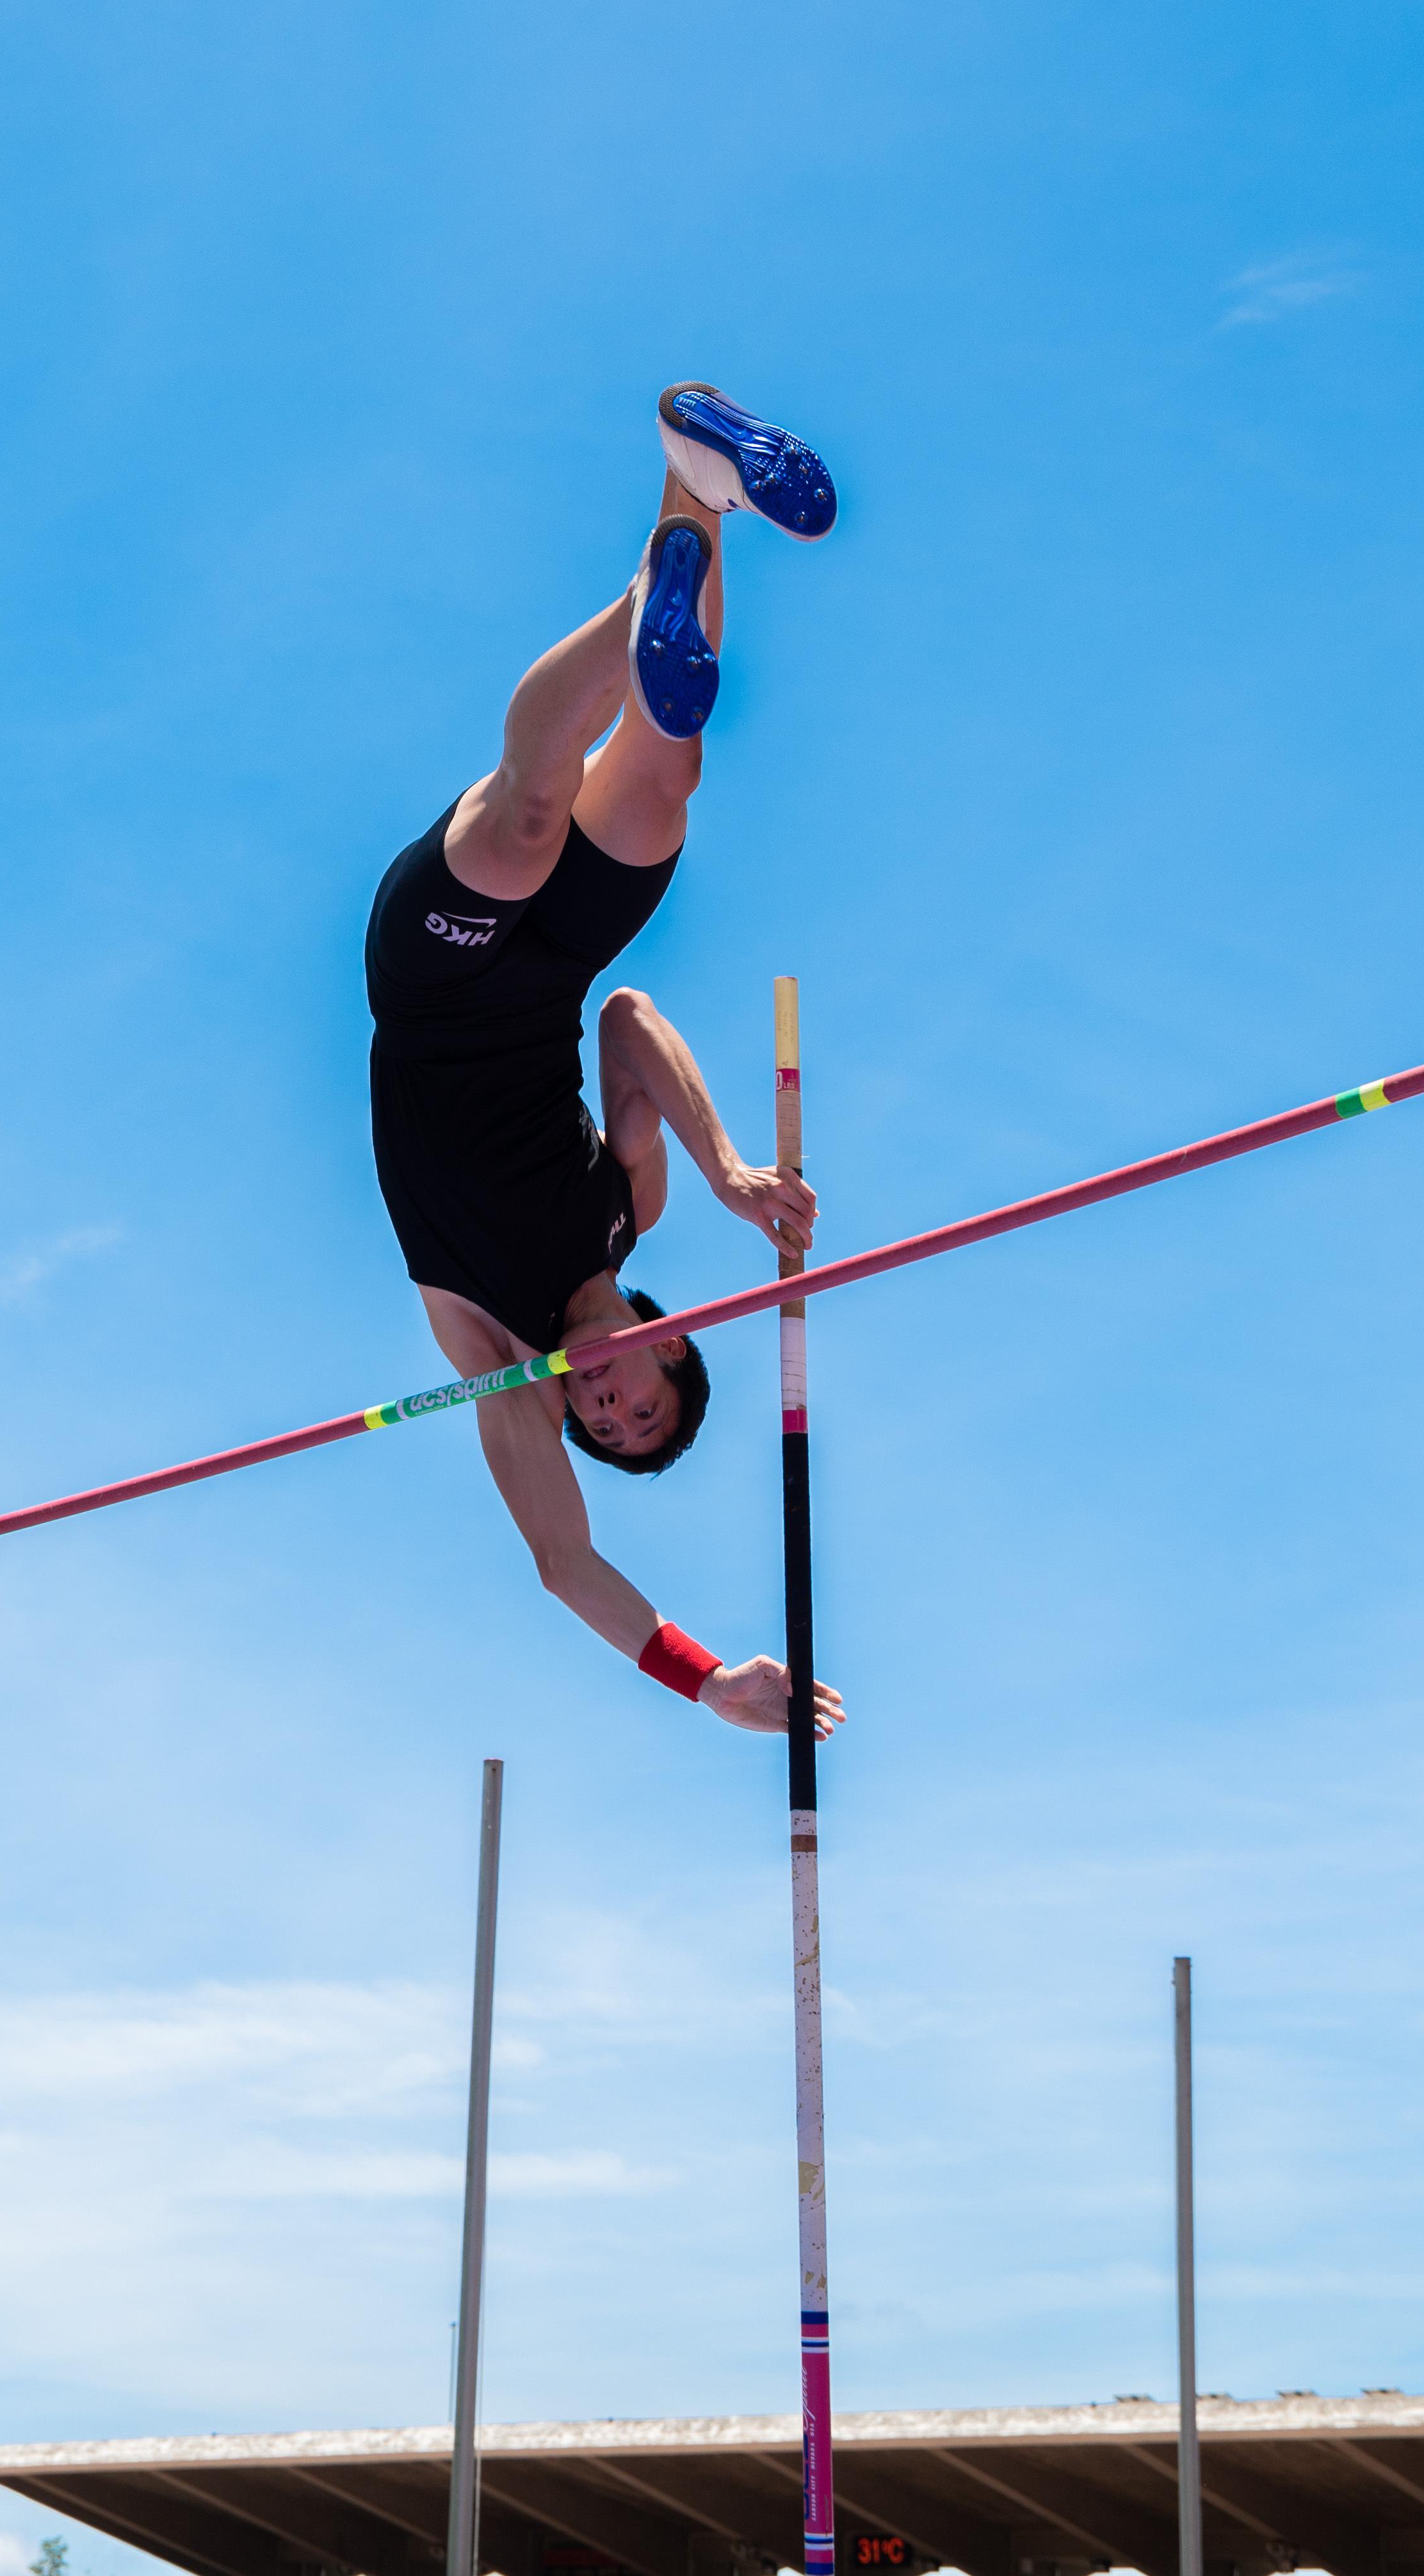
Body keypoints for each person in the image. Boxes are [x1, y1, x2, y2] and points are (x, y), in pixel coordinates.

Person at [361, 383, 848, 1739]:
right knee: (657, 788)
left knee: (524, 818)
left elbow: (563, 1562)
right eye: (645, 1402)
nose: (608, 1402)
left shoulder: (496, 1353)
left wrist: (710, 1680)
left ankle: (652, 603)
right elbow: (627, 1017)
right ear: (672, 1336)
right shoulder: (637, 1203)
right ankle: (700, 483)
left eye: (607, 1427)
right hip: (556, 966)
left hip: (434, 974)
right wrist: (736, 1172)